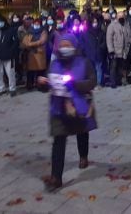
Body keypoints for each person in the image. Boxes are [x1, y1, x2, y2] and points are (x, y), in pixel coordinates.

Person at [38, 33, 97, 192]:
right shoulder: (54, 64)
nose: (65, 48)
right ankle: (56, 177)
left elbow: (92, 82)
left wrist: (75, 84)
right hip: (59, 108)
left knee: (82, 132)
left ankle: (83, 155)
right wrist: (43, 83)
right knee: (59, 140)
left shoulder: (84, 63)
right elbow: (48, 83)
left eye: (68, 45)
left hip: (78, 107)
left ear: (74, 46)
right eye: (62, 45)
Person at [0, 16, 18, 96]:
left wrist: (11, 51)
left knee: (10, 73)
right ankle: (1, 89)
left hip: (8, 57)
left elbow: (15, 42)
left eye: (1, 22)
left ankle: (12, 89)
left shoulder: (10, 31)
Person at [106, 11, 131, 88]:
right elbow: (109, 38)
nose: (121, 18)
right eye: (119, 16)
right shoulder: (112, 25)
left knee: (122, 67)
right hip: (115, 50)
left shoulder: (126, 25)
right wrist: (111, 50)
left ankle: (120, 80)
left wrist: (128, 46)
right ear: (117, 17)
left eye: (122, 16)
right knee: (113, 67)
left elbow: (129, 36)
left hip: (124, 51)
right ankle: (113, 82)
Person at [22, 19, 48, 90]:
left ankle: (40, 86)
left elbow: (42, 41)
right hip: (31, 54)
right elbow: (25, 42)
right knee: (30, 71)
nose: (36, 24)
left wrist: (31, 44)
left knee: (40, 72)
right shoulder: (29, 31)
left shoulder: (43, 31)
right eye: (35, 23)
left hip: (40, 54)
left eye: (38, 23)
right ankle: (30, 86)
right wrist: (32, 44)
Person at [81, 16, 106, 87]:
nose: (95, 24)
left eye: (96, 22)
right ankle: (92, 83)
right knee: (92, 70)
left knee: (99, 68)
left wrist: (101, 48)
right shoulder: (86, 33)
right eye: (93, 22)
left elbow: (104, 42)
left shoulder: (101, 32)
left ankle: (98, 83)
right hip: (90, 54)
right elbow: (83, 43)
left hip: (98, 53)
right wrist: (86, 51)